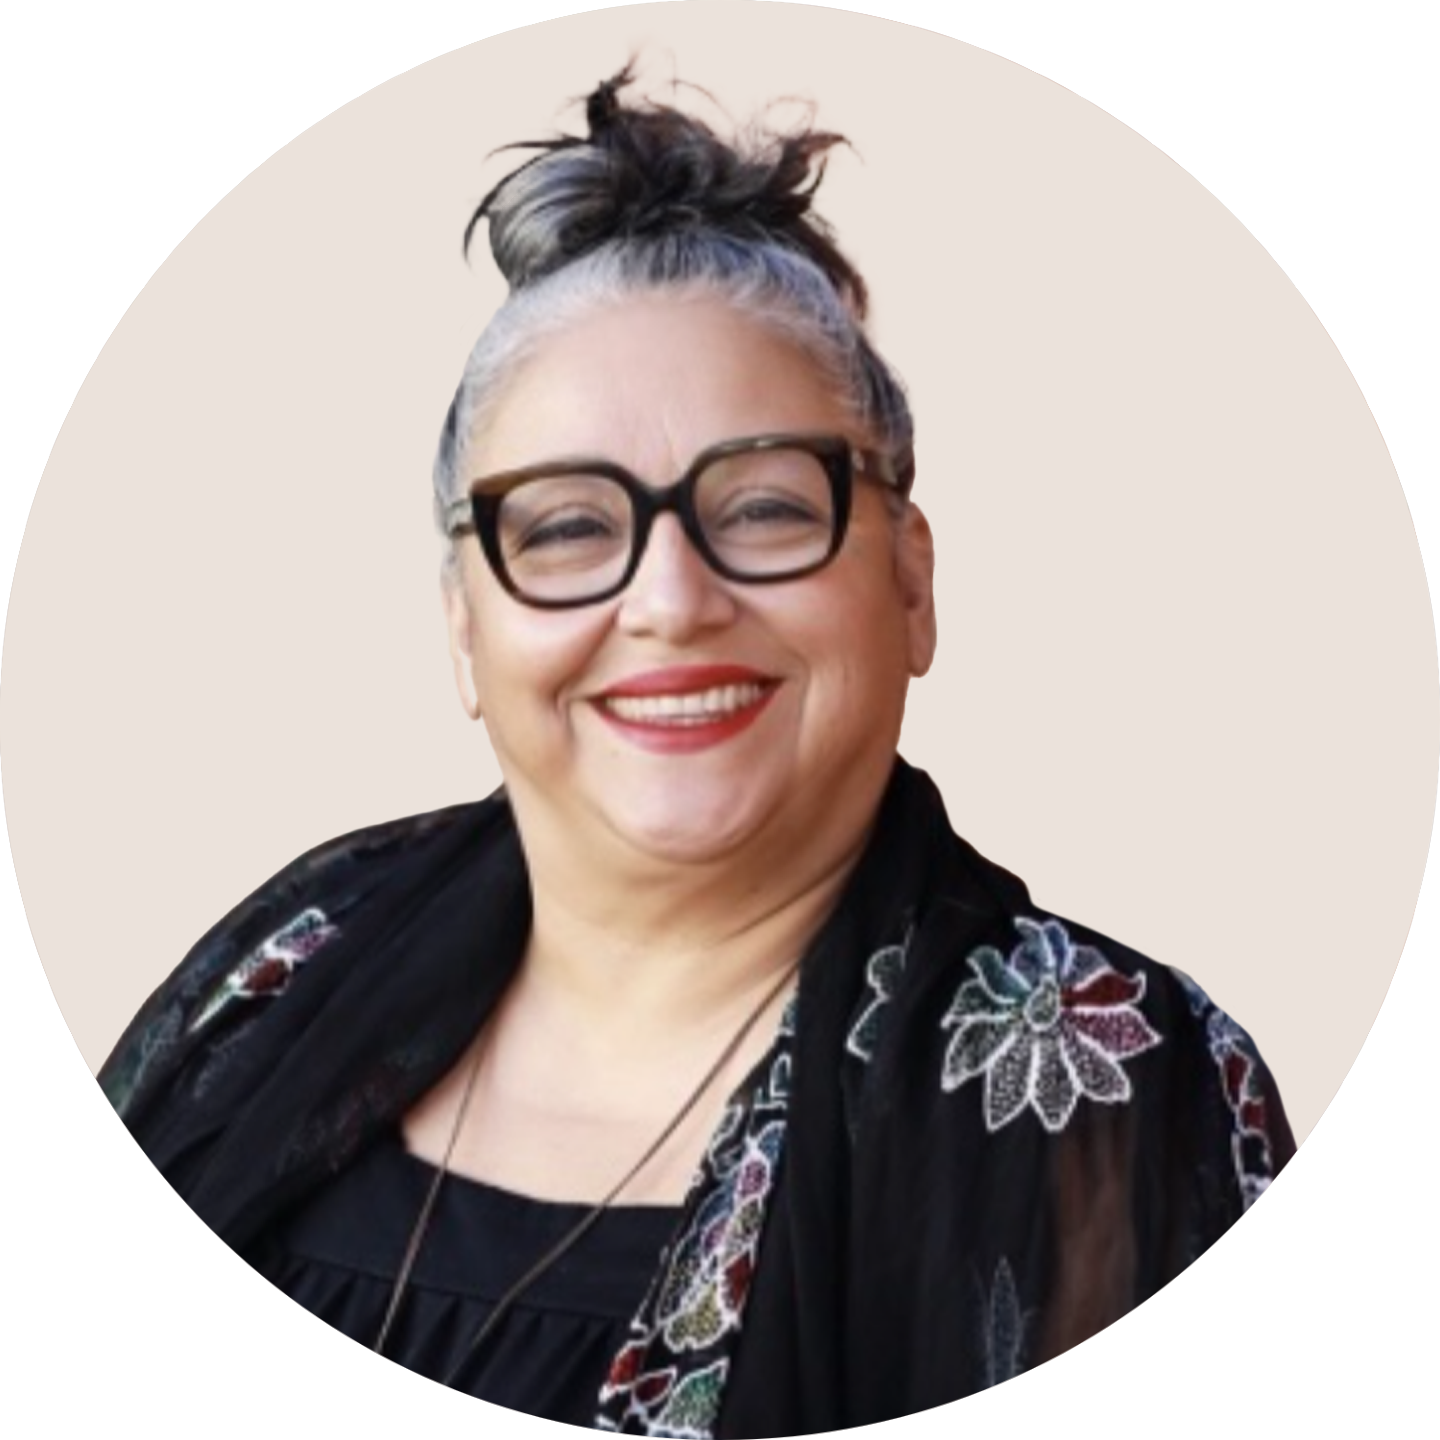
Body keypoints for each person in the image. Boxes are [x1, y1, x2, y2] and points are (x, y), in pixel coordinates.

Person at [99, 69, 1294, 1434]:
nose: (669, 600)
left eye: (767, 508)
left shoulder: (1127, 1101)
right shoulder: (281, 970)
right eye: (567, 527)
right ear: (464, 628)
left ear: (911, 584)